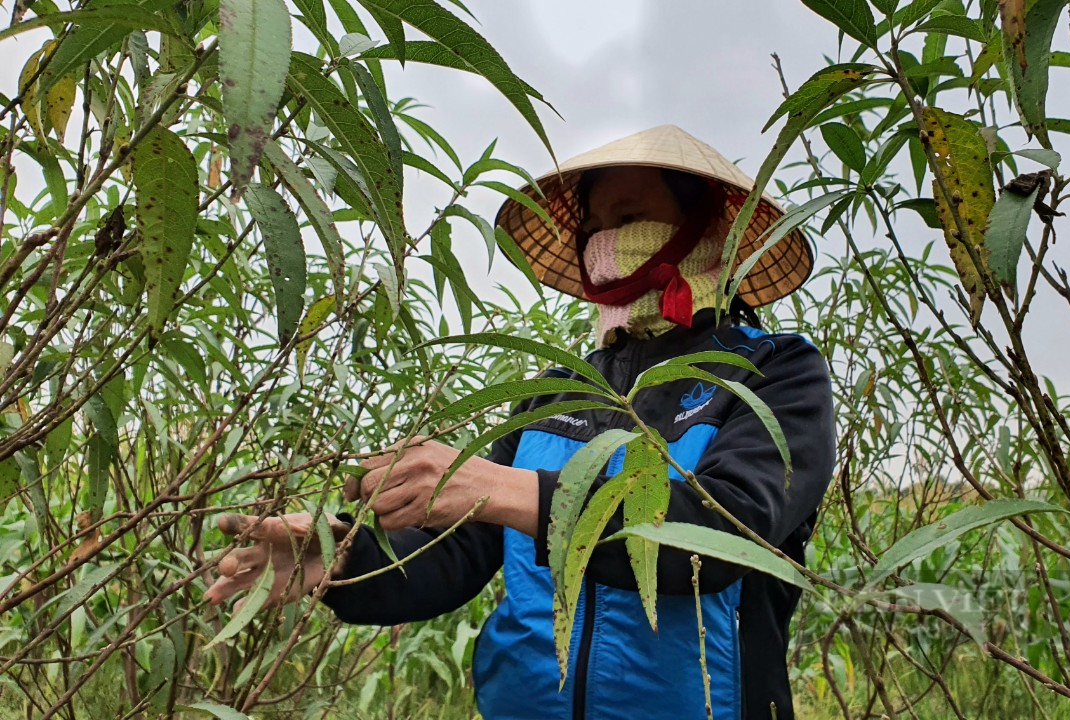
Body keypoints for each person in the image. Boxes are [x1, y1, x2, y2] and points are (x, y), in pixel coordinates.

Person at [205, 125, 836, 720]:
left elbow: (723, 532)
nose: (605, 244)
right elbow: (460, 550)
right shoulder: (558, 390)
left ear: (707, 231)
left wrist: (503, 489)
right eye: (592, 227)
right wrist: (343, 560)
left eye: (630, 218)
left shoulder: (770, 374)